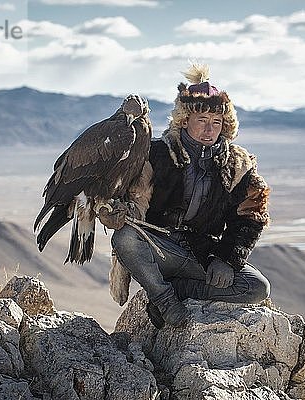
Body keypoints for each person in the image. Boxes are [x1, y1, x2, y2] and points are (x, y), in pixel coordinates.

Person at [99, 64, 271, 329]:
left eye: (216, 122)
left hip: (202, 254)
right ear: (184, 120)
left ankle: (178, 291)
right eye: (202, 120)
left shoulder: (238, 164)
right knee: (125, 238)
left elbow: (250, 218)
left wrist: (226, 259)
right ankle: (164, 300)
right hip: (158, 250)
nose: (209, 129)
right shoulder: (156, 154)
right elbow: (135, 202)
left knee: (257, 287)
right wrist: (117, 214)